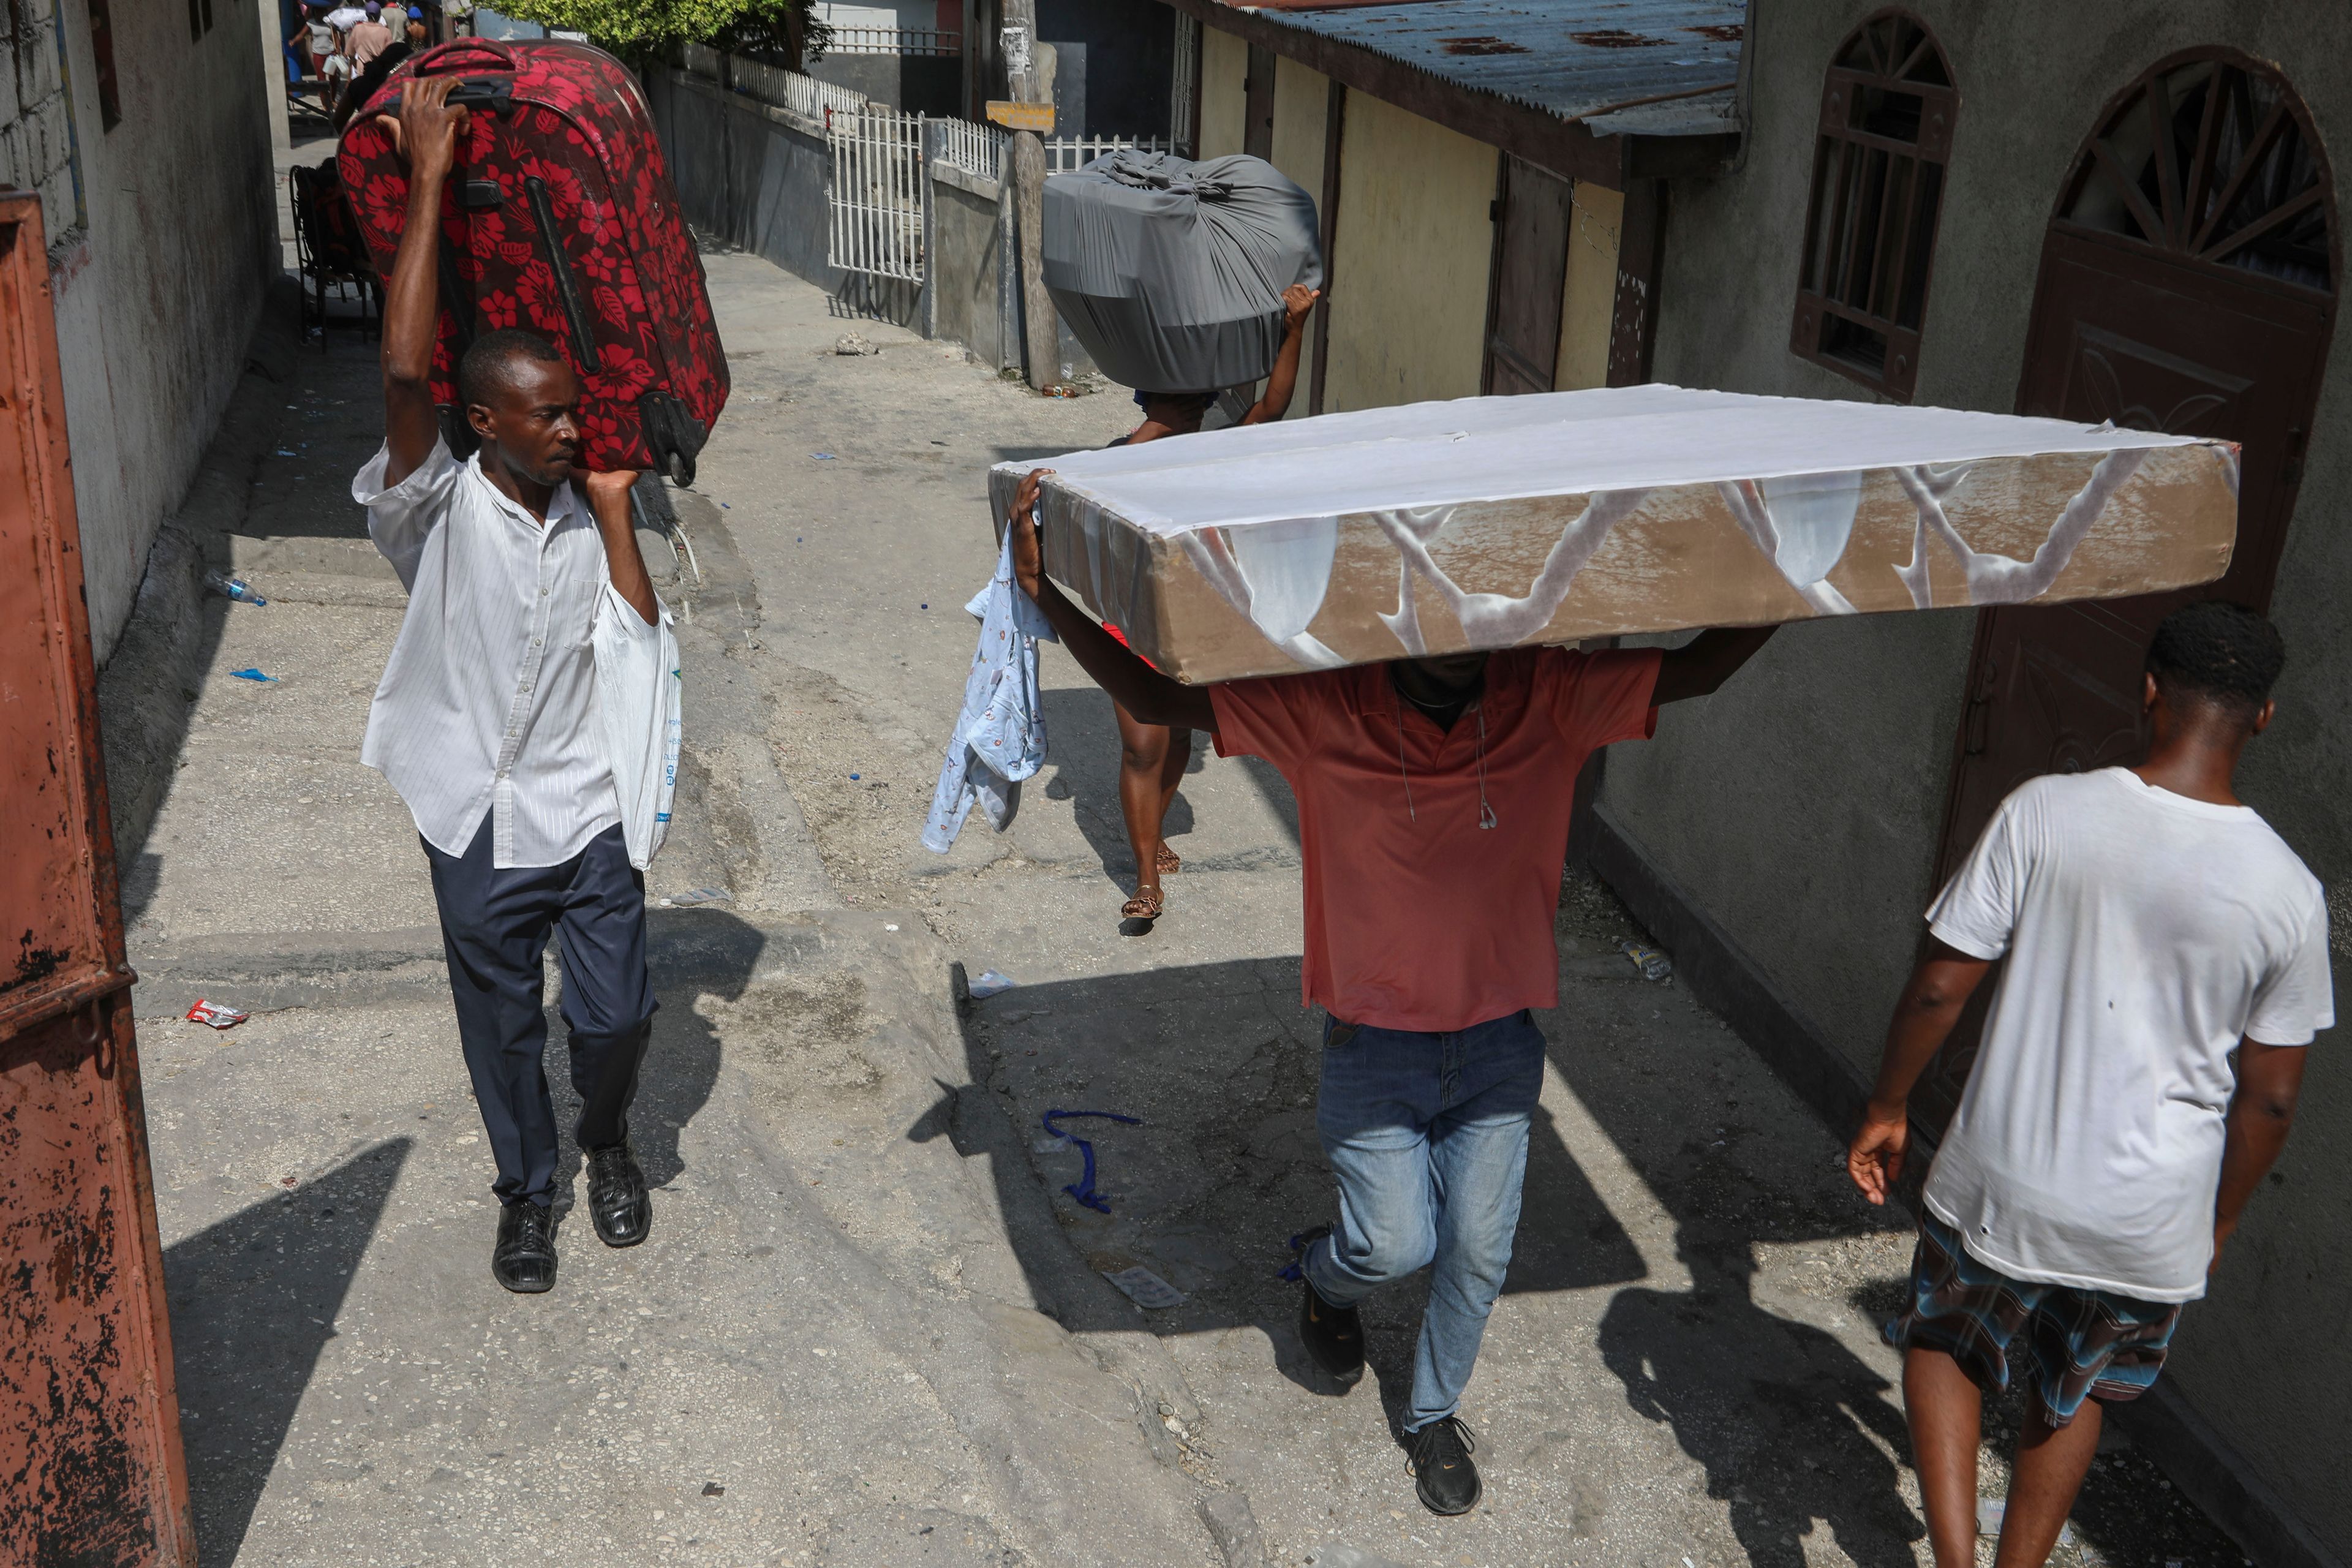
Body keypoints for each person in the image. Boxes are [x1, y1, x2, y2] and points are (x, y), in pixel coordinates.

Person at [1005, 466, 1776, 1513]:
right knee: (1391, 1243)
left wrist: (1802, 571)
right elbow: (1152, 696)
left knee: (1476, 1251)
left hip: (1502, 1041)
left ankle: (1428, 1414)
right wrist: (1046, 595)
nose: (1458, 632)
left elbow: (1704, 670)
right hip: (1375, 1044)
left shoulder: (1548, 695)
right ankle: (1328, 1281)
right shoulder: (1326, 710)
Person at [1847, 601, 2329, 1568]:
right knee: (2074, 1388)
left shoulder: (2048, 810)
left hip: (2006, 1178)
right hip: (2151, 1216)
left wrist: (1889, 1105)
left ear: (2147, 689)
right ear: (2265, 717)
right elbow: (2270, 1099)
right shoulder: (2289, 891)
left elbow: (1943, 983)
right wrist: (2219, 1221)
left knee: (1946, 1342)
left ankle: (1954, 1561)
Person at [355, 77, 668, 1295]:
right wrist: (430, 177)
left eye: (576, 412)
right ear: (483, 421)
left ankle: (606, 1135)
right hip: (472, 816)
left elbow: (639, 638)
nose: (570, 431)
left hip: (585, 806)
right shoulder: (431, 508)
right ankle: (527, 1196)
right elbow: (401, 367)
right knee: (501, 1027)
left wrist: (617, 510)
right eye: (547, 418)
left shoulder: (595, 510)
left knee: (617, 1017)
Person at [1101, 281, 1318, 925]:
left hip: (1196, 626)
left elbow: (1271, 409)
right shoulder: (1120, 459)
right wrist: (1161, 426)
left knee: (1174, 745)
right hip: (1132, 624)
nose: (1195, 405)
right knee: (1144, 744)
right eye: (1179, 398)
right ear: (1155, 399)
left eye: (1198, 396)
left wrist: (1295, 328)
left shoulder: (1216, 449)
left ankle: (1155, 832)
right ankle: (1146, 881)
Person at [347, 0, 395, 69]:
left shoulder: (357, 29)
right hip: (379, 71)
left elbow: (350, 52)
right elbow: (389, 55)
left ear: (366, 14)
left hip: (363, 71)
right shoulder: (386, 32)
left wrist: (356, 65)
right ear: (379, 15)